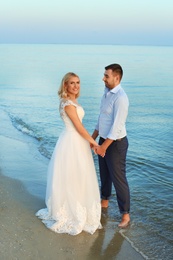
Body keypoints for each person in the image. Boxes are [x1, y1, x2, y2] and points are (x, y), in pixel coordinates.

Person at [36, 72, 102, 235]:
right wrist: (94, 142)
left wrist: (89, 141)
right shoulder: (67, 104)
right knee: (73, 175)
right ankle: (69, 210)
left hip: (77, 141)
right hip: (71, 142)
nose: (76, 86)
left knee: (79, 175)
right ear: (65, 85)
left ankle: (78, 204)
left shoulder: (73, 101)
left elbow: (80, 128)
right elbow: (79, 127)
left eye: (78, 82)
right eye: (72, 83)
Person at [91, 64, 130, 228]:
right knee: (105, 175)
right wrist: (92, 139)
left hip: (116, 144)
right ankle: (104, 202)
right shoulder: (106, 93)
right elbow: (102, 118)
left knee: (118, 179)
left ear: (117, 78)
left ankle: (125, 215)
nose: (103, 78)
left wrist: (103, 147)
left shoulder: (121, 98)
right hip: (103, 140)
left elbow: (116, 127)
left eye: (106, 76)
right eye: (104, 75)